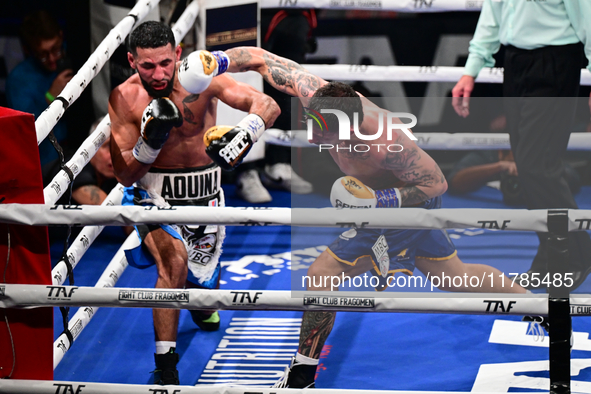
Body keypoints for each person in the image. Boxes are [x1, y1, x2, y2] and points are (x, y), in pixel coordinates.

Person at [216, 46, 527, 388]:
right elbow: (261, 58)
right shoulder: (315, 94)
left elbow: (436, 184)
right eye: (313, 123)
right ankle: (536, 306)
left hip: (404, 208)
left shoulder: (386, 141)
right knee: (454, 277)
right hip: (383, 205)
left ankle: (302, 375)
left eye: (325, 130)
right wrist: (218, 61)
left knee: (321, 275)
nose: (315, 135)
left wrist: (378, 199)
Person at [108, 22, 279, 385]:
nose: (159, 74)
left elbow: (267, 104)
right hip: (154, 195)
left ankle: (203, 294)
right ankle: (166, 368)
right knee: (173, 265)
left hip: (207, 194)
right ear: (131, 61)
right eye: (147, 66)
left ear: (179, 54)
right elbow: (123, 174)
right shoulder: (125, 97)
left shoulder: (203, 78)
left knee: (203, 292)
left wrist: (246, 132)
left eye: (165, 63)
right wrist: (149, 144)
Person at [451, 0, 591, 290]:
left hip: (556, 61)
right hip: (514, 63)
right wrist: (471, 69)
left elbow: (588, 17)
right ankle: (551, 257)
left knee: (538, 167)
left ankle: (578, 254)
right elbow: (492, 15)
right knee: (528, 170)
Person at [233, 9, 316, 203]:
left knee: (287, 76)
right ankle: (246, 169)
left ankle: (277, 163)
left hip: (291, 13)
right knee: (243, 70)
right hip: (243, 7)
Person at [6, 10, 73, 166]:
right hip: (47, 161)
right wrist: (50, 97)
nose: (52, 60)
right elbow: (26, 131)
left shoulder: (75, 53)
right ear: (28, 51)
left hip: (78, 147)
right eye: (43, 55)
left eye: (55, 49)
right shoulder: (18, 80)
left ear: (61, 36)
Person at [447, 150, 581, 205]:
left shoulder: (537, 154)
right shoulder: (487, 155)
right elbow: (454, 182)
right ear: (502, 153)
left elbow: (574, 180)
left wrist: (535, 170)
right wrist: (499, 167)